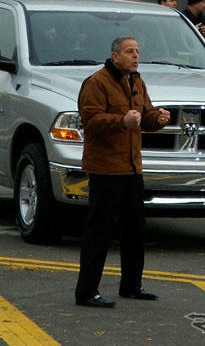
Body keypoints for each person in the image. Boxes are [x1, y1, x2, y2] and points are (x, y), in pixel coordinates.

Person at [75, 36, 171, 308]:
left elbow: (146, 116)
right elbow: (90, 121)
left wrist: (158, 119)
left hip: (131, 167)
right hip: (105, 167)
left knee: (135, 229)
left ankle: (131, 285)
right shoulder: (97, 82)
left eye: (138, 51)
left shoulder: (136, 81)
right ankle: (87, 291)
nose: (135, 56)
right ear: (115, 56)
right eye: (129, 51)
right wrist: (121, 121)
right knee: (100, 229)